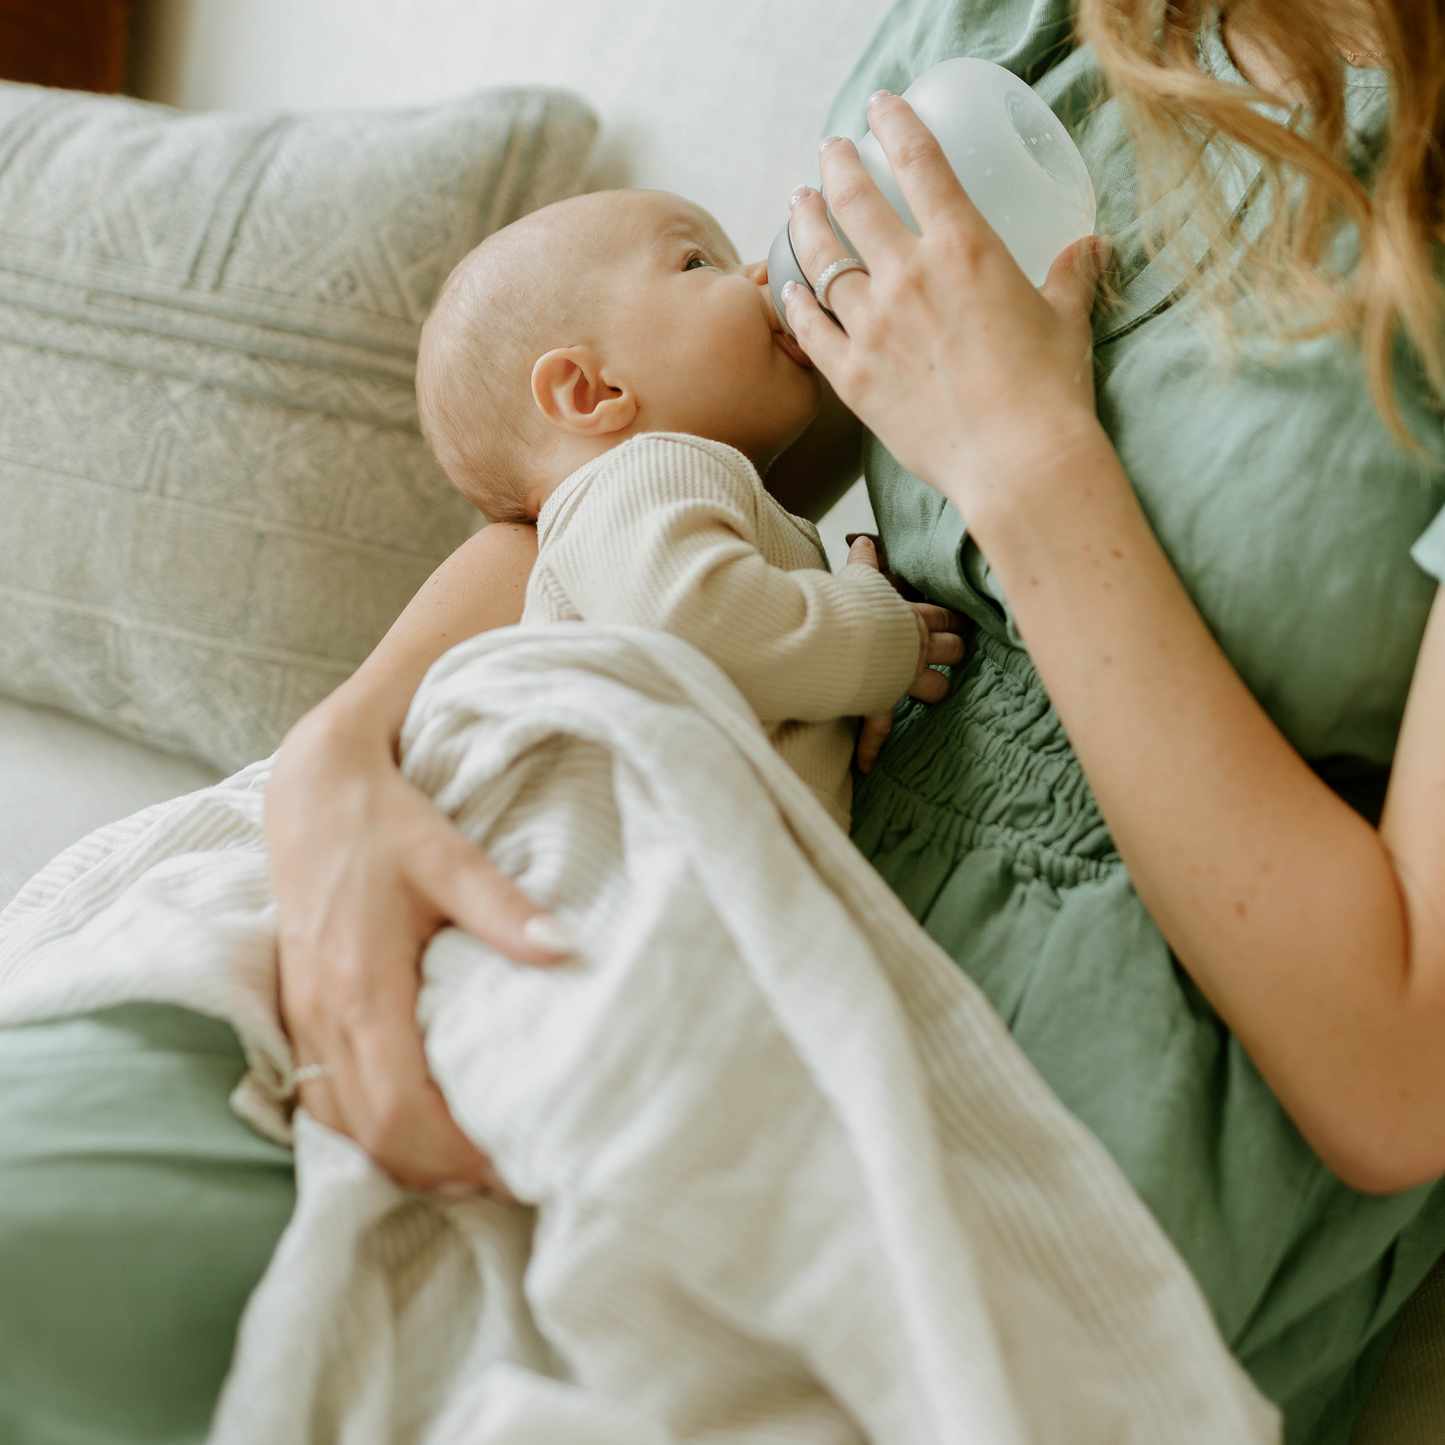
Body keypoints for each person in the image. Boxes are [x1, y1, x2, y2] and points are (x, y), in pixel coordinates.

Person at [2, 2, 1443, 1443]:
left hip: (1000, 1178)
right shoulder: (1023, 40)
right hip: (561, 917)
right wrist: (347, 748)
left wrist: (1025, 458)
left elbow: (1393, 1075)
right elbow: (655, 470)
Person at [415, 187, 962, 831]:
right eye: (700, 263)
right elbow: (697, 623)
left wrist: (842, 687)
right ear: (592, 391)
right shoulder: (635, 474)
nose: (758, 272)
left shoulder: (671, 502)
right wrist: (878, 638)